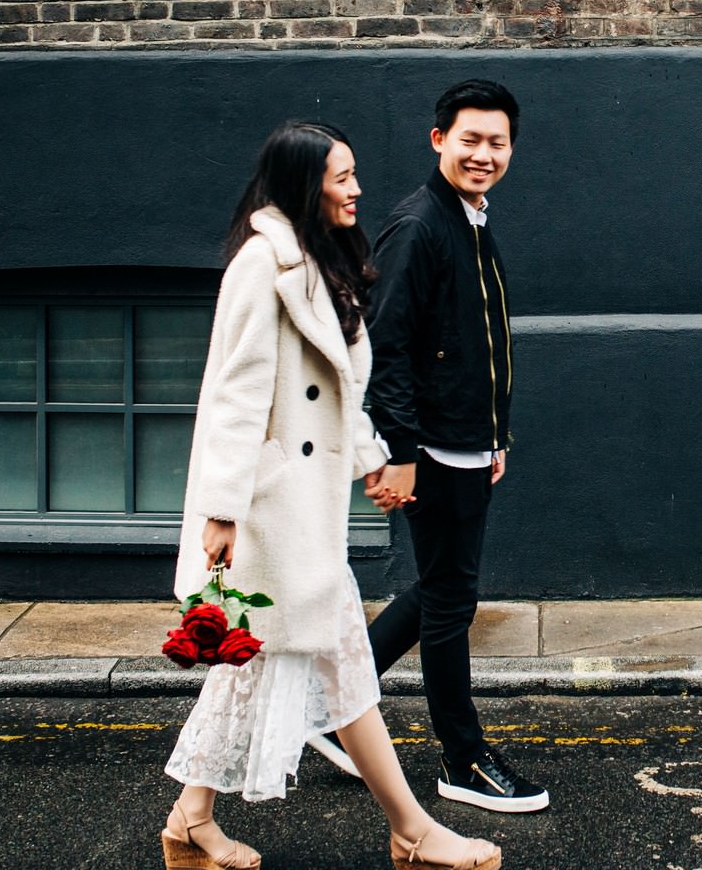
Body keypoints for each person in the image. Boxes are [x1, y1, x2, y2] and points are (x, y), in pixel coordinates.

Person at [161, 121, 502, 870]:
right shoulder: (263, 266)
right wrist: (221, 510)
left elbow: (338, 391)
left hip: (301, 512)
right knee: (343, 667)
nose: (356, 190)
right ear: (303, 183)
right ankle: (411, 831)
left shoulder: (320, 261)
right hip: (268, 513)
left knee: (257, 666)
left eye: (353, 175)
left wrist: (374, 459)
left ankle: (191, 819)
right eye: (341, 178)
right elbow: (235, 398)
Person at [313, 80, 548, 813]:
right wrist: (402, 453)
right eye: (470, 139)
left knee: (440, 587)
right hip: (435, 449)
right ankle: (461, 758)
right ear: (439, 139)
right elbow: (385, 345)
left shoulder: (469, 218)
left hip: (467, 441)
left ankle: (328, 712)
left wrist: (494, 434)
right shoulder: (421, 224)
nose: (485, 154)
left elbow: (478, 341)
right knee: (451, 599)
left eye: (497, 142)